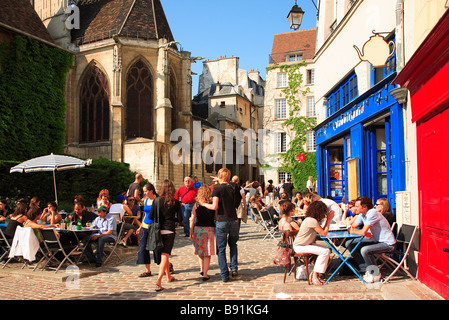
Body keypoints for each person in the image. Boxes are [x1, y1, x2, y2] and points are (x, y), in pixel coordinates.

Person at [199, 168, 239, 282]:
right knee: (233, 244)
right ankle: (234, 267)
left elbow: (214, 207)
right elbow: (232, 184)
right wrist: (221, 179)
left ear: (219, 176)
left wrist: (204, 204)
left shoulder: (217, 189)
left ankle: (224, 274)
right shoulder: (233, 188)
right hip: (234, 219)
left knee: (221, 249)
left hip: (222, 220)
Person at [347, 196, 396, 283]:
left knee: (365, 250)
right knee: (349, 243)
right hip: (377, 239)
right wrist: (353, 229)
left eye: (357, 206)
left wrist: (353, 230)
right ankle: (366, 270)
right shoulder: (362, 214)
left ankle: (376, 274)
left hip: (388, 243)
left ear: (364, 207)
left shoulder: (372, 213)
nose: (355, 208)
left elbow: (362, 232)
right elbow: (353, 226)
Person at [292, 200, 334, 285]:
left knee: (326, 250)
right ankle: (315, 275)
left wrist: (327, 221)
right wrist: (329, 220)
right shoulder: (311, 220)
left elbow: (322, 230)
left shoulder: (311, 220)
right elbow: (324, 233)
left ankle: (317, 274)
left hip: (306, 244)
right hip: (300, 246)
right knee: (325, 251)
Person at [150, 180, 181, 292]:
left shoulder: (156, 201)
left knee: (165, 255)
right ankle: (158, 281)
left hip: (158, 230)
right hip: (169, 229)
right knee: (165, 255)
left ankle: (168, 276)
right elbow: (180, 219)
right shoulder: (175, 202)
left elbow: (150, 216)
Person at [189, 185, 216, 281]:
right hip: (209, 229)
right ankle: (205, 274)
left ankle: (201, 269)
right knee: (207, 252)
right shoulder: (212, 204)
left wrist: (191, 230)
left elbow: (192, 219)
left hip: (198, 228)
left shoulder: (196, 204)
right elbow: (216, 217)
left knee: (200, 251)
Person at [136, 183, 158, 277]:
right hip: (145, 226)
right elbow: (145, 214)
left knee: (156, 248)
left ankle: (166, 265)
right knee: (142, 247)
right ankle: (147, 270)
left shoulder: (157, 200)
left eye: (145, 191)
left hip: (154, 226)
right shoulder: (146, 200)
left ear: (151, 191)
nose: (144, 193)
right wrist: (140, 227)